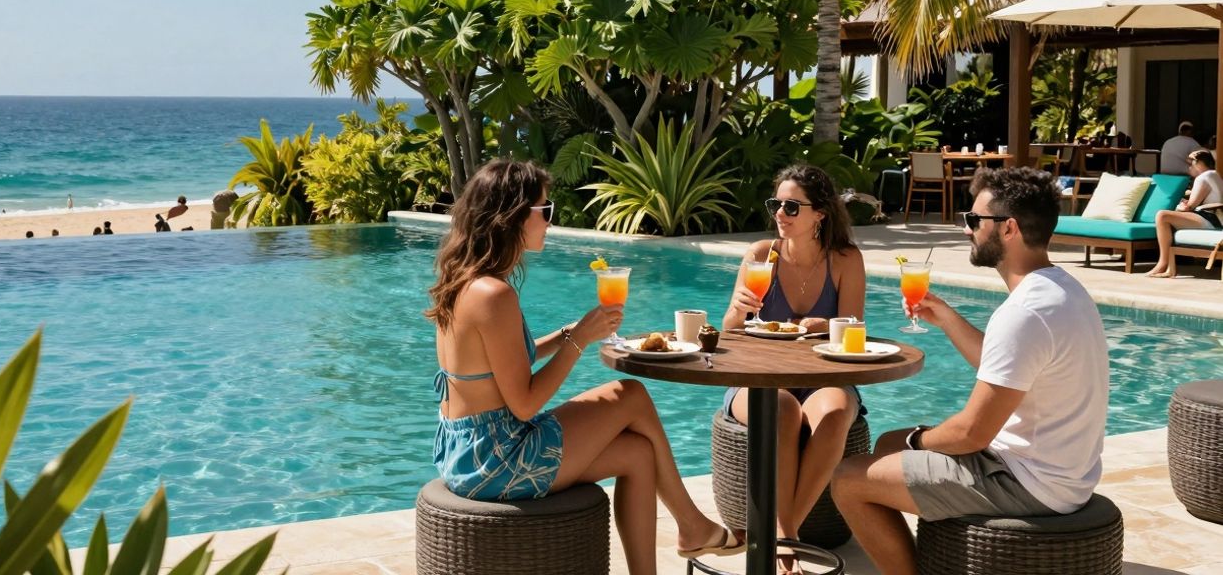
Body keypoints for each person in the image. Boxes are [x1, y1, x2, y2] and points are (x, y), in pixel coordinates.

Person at [428, 159, 740, 574]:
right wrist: (579, 341)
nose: (550, 222)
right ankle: (692, 525)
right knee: (629, 393)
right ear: (513, 215)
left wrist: (565, 334)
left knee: (638, 453)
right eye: (545, 210)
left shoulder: (465, 281)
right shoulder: (493, 295)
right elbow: (524, 404)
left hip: (467, 453)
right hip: (497, 459)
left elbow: (497, 365)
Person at [831, 167, 1109, 575]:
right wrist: (945, 316)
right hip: (1064, 474)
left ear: (1009, 228)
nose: (966, 229)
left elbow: (971, 434)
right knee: (889, 443)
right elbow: (1010, 369)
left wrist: (915, 440)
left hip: (1028, 483)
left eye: (974, 220)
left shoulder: (1024, 312)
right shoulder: (1061, 289)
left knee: (848, 478)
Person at [719, 164, 866, 574]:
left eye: (791, 207)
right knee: (779, 408)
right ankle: (787, 547)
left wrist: (826, 327)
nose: (780, 214)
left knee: (836, 413)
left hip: (823, 378)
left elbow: (854, 328)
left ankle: (783, 538)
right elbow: (729, 330)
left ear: (820, 213)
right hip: (757, 377)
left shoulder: (845, 260)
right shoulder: (760, 255)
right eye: (776, 205)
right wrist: (738, 311)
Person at [1146, 148, 1223, 277]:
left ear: (1197, 163)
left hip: (1210, 218)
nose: (1189, 168)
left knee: (1162, 216)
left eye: (1190, 164)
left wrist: (1181, 206)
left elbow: (1190, 206)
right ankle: (1169, 267)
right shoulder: (1215, 175)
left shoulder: (1203, 178)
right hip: (1215, 218)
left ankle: (1163, 263)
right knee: (1168, 218)